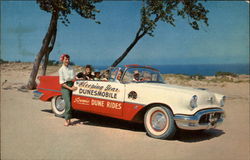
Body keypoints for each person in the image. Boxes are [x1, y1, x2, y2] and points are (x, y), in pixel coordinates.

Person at [59, 54, 77, 126]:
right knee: (68, 104)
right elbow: (62, 83)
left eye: (68, 59)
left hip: (71, 85)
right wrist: (70, 88)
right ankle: (66, 120)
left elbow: (73, 78)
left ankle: (69, 119)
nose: (67, 61)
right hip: (65, 87)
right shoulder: (61, 70)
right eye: (66, 59)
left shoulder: (71, 68)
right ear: (62, 60)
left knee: (72, 104)